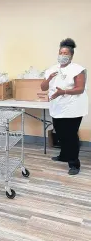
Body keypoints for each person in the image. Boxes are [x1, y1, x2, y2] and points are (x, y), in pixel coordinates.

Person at [41, 38, 88, 175]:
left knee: (70, 136)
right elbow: (43, 87)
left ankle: (74, 163)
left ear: (71, 55)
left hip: (74, 108)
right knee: (60, 133)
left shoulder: (78, 69)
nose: (62, 55)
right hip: (57, 107)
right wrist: (49, 79)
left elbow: (80, 89)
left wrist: (63, 92)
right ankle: (63, 155)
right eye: (61, 52)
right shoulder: (51, 69)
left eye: (65, 53)